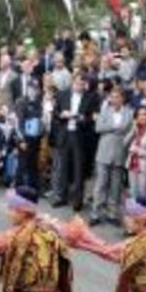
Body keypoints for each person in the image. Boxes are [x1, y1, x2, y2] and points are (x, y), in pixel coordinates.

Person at [51, 75, 98, 212]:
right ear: (73, 82)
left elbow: (92, 118)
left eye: (82, 84)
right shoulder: (62, 94)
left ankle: (77, 200)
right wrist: (62, 114)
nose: (79, 86)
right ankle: (62, 197)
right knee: (63, 167)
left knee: (78, 170)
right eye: (77, 83)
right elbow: (55, 113)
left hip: (80, 135)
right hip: (65, 134)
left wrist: (81, 118)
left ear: (85, 85)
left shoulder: (91, 97)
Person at [90, 87, 132, 226]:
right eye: (112, 97)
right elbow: (98, 128)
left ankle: (112, 214)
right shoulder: (105, 111)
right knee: (100, 184)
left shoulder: (129, 113)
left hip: (120, 152)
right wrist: (115, 127)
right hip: (103, 152)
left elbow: (129, 130)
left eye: (117, 97)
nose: (114, 100)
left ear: (122, 99)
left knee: (115, 186)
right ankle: (95, 213)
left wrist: (111, 128)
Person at [124, 106, 146, 201]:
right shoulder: (135, 130)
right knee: (133, 194)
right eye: (139, 115)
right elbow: (124, 144)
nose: (142, 117)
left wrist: (140, 152)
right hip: (132, 166)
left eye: (145, 114)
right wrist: (133, 130)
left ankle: (145, 211)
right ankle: (134, 211)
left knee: (144, 196)